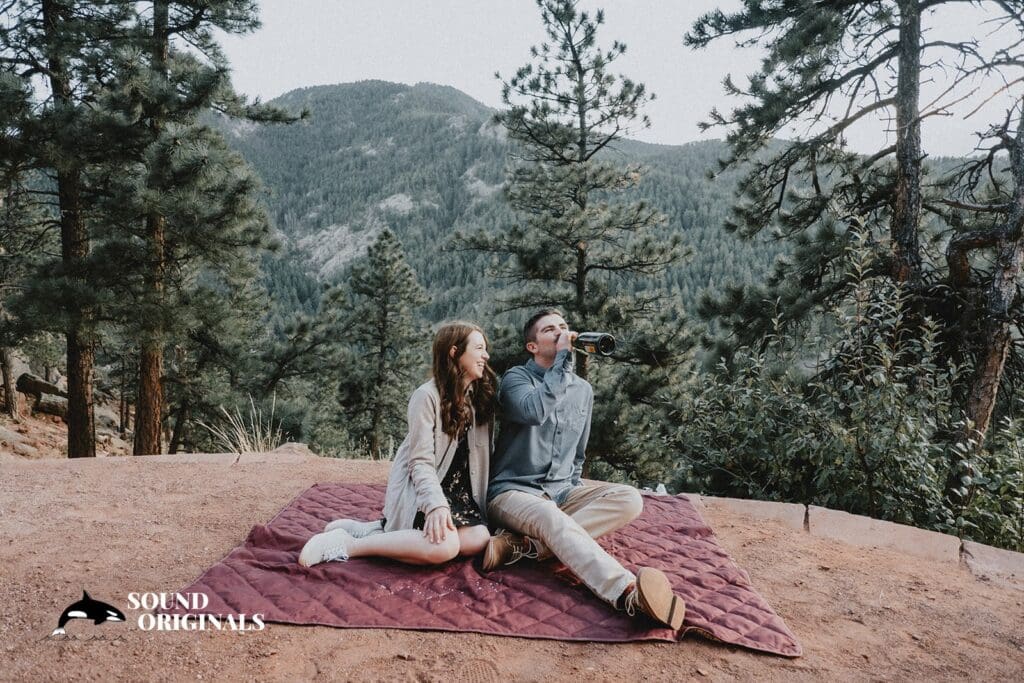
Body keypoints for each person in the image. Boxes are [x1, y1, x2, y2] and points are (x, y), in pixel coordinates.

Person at [482, 309, 685, 630]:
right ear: (532, 346)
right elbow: (535, 412)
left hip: (561, 492)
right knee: (552, 518)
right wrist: (563, 359)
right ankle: (627, 593)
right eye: (550, 330)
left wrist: (573, 488)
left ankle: (528, 548)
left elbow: (577, 454)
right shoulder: (516, 379)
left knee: (629, 499)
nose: (562, 332)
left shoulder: (583, 391)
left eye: (564, 327)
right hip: (512, 492)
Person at [298, 321, 495, 567]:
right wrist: (434, 505)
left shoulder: (478, 397)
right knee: (445, 546)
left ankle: (378, 530)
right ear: (454, 352)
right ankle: (350, 544)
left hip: (458, 495)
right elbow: (420, 462)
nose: (486, 355)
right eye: (478, 348)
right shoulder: (426, 396)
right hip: (427, 489)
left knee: (480, 537)